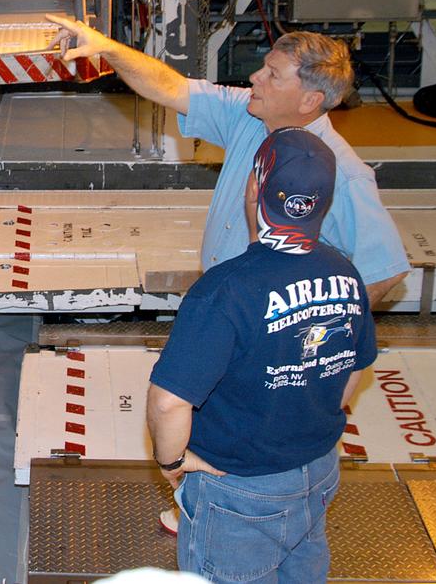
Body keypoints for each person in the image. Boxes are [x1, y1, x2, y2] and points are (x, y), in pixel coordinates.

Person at [146, 128, 377, 583]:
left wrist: (172, 462)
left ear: (254, 187)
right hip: (319, 469)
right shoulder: (346, 274)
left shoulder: (226, 290)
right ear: (323, 202)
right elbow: (357, 368)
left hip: (243, 491)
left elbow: (169, 401)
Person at [47, 16, 409, 304]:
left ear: (309, 101)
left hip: (267, 325)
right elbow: (172, 87)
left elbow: (385, 270)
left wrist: (325, 335)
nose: (255, 77)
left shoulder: (343, 174)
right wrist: (108, 48)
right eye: (263, 67)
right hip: (222, 299)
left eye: (272, 75)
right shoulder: (250, 116)